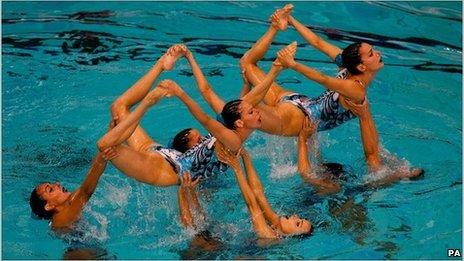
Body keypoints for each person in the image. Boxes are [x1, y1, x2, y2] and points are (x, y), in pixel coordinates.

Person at [96, 44, 311, 235]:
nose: (258, 112)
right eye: (252, 112)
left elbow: (207, 119)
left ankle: (147, 103)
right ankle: (161, 64)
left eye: (253, 111)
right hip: (170, 155)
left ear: (240, 123)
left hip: (165, 171)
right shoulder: (232, 128)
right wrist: (189, 57)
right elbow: (209, 91)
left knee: (105, 144)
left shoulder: (232, 140)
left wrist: (181, 94)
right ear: (239, 122)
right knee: (118, 108)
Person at [239, 4, 422, 184]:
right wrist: (292, 62)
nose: (378, 53)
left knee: (247, 65)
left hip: (298, 102)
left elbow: (317, 43)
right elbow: (323, 77)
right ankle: (275, 27)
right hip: (297, 120)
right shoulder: (355, 89)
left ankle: (274, 28)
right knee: (239, 113)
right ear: (362, 66)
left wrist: (292, 20)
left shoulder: (347, 66)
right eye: (372, 53)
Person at [29, 147, 117, 231]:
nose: (57, 184)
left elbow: (87, 182)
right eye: (51, 190)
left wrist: (103, 149)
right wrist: (101, 161)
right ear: (49, 206)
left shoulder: (67, 204)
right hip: (81, 246)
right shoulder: (61, 219)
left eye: (52, 184)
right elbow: (86, 192)